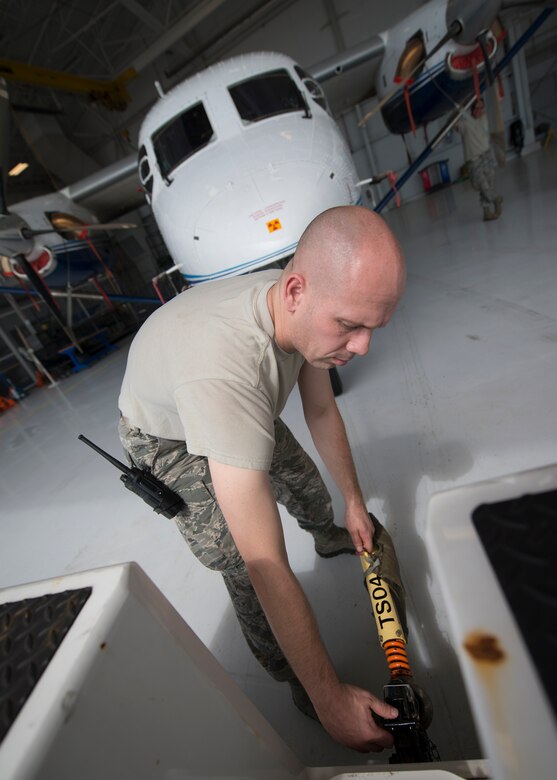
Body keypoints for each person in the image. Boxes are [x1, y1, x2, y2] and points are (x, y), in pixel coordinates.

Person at [118, 205, 406, 752]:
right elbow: (265, 560)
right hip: (166, 435)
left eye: (372, 327)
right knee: (238, 560)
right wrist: (330, 699)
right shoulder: (231, 372)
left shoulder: (306, 310)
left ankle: (328, 535)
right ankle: (296, 679)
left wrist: (352, 502)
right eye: (351, 326)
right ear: (296, 293)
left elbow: (321, 412)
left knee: (302, 482)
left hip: (215, 387)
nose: (363, 345)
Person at [455, 97, 503, 221]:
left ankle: (486, 212)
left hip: (486, 155)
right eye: (477, 108)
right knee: (481, 184)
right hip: (474, 160)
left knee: (489, 181)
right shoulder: (464, 123)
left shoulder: (485, 117)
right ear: (471, 109)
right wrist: (458, 109)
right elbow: (453, 124)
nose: (479, 110)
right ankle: (496, 199)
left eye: (482, 107)